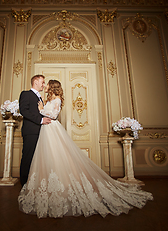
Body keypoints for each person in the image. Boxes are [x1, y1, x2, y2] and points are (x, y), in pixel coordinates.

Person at [18, 80, 153, 218]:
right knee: (47, 157)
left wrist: (41, 110)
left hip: (52, 129)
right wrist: (42, 110)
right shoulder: (46, 98)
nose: (44, 86)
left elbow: (54, 115)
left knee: (58, 155)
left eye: (47, 84)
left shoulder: (56, 99)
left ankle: (64, 186)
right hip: (45, 130)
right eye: (43, 83)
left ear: (52, 87)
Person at [19, 74, 51, 186]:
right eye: (42, 82)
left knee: (38, 158)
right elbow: (24, 111)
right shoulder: (26, 94)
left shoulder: (40, 98)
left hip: (41, 132)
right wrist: (41, 120)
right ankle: (24, 184)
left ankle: (34, 183)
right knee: (28, 157)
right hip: (31, 131)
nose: (44, 85)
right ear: (35, 82)